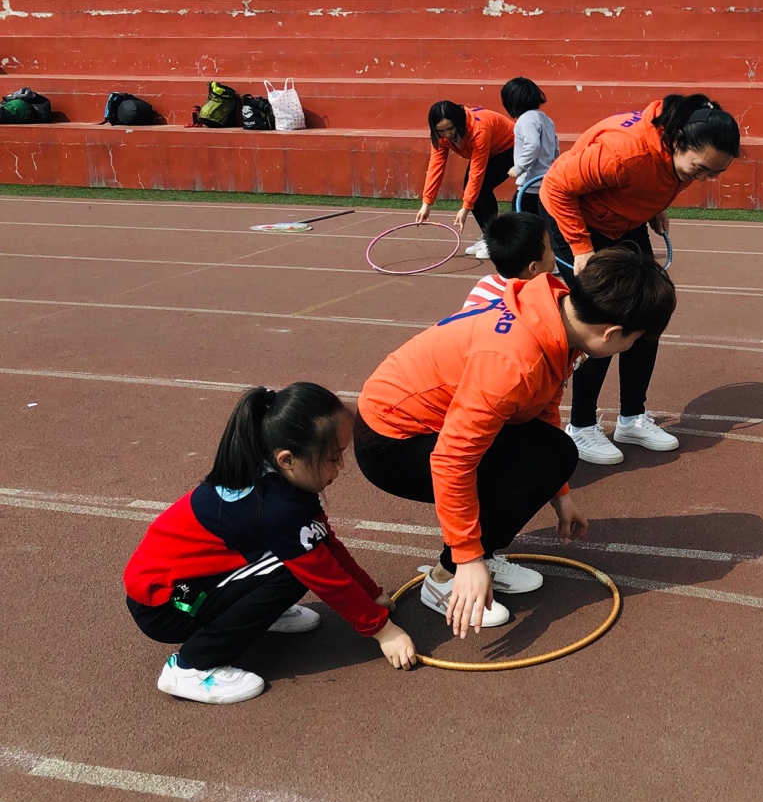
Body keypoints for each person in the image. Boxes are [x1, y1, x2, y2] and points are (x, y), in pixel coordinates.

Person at [354, 249, 676, 637]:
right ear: (611, 334)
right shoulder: (513, 363)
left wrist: (560, 495)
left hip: (431, 422)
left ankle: (478, 554)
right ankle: (444, 579)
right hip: (391, 442)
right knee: (530, 469)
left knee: (557, 454)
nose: (632, 347)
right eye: (634, 340)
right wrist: (466, 558)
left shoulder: (556, 314)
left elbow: (543, 408)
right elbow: (452, 460)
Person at [123, 383, 417, 705]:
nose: (341, 467)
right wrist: (382, 630)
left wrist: (370, 592)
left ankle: (259, 613)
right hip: (169, 604)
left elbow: (323, 538)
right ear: (288, 459)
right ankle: (192, 666)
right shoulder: (275, 507)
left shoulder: (274, 476)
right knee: (295, 567)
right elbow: (325, 575)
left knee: (302, 551)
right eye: (333, 458)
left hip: (185, 586)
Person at [539, 93, 740, 465]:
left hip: (622, 222)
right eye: (700, 169)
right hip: (577, 222)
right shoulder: (624, 153)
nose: (705, 178)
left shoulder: (677, 147)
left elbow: (657, 175)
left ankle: (632, 418)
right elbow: (555, 187)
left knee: (649, 312)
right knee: (601, 321)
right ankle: (581, 425)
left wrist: (654, 207)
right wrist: (581, 248)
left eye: (715, 172)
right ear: (677, 141)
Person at [416, 100, 516, 260]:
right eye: (441, 130)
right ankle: (489, 236)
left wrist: (465, 207)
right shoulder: (440, 137)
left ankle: (493, 240)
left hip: (510, 147)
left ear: (459, 122)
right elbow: (436, 166)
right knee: (471, 187)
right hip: (491, 150)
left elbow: (477, 173)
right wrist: (426, 203)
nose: (447, 134)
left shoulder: (478, 130)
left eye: (450, 129)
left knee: (481, 187)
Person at [460, 210, 554, 312]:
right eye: (551, 249)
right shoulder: (539, 303)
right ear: (534, 268)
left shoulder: (485, 282)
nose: (554, 253)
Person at [500, 77, 559, 217]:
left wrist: (519, 167)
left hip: (530, 188)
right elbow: (555, 147)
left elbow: (532, 145)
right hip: (546, 184)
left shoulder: (525, 120)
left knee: (520, 225)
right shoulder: (546, 119)